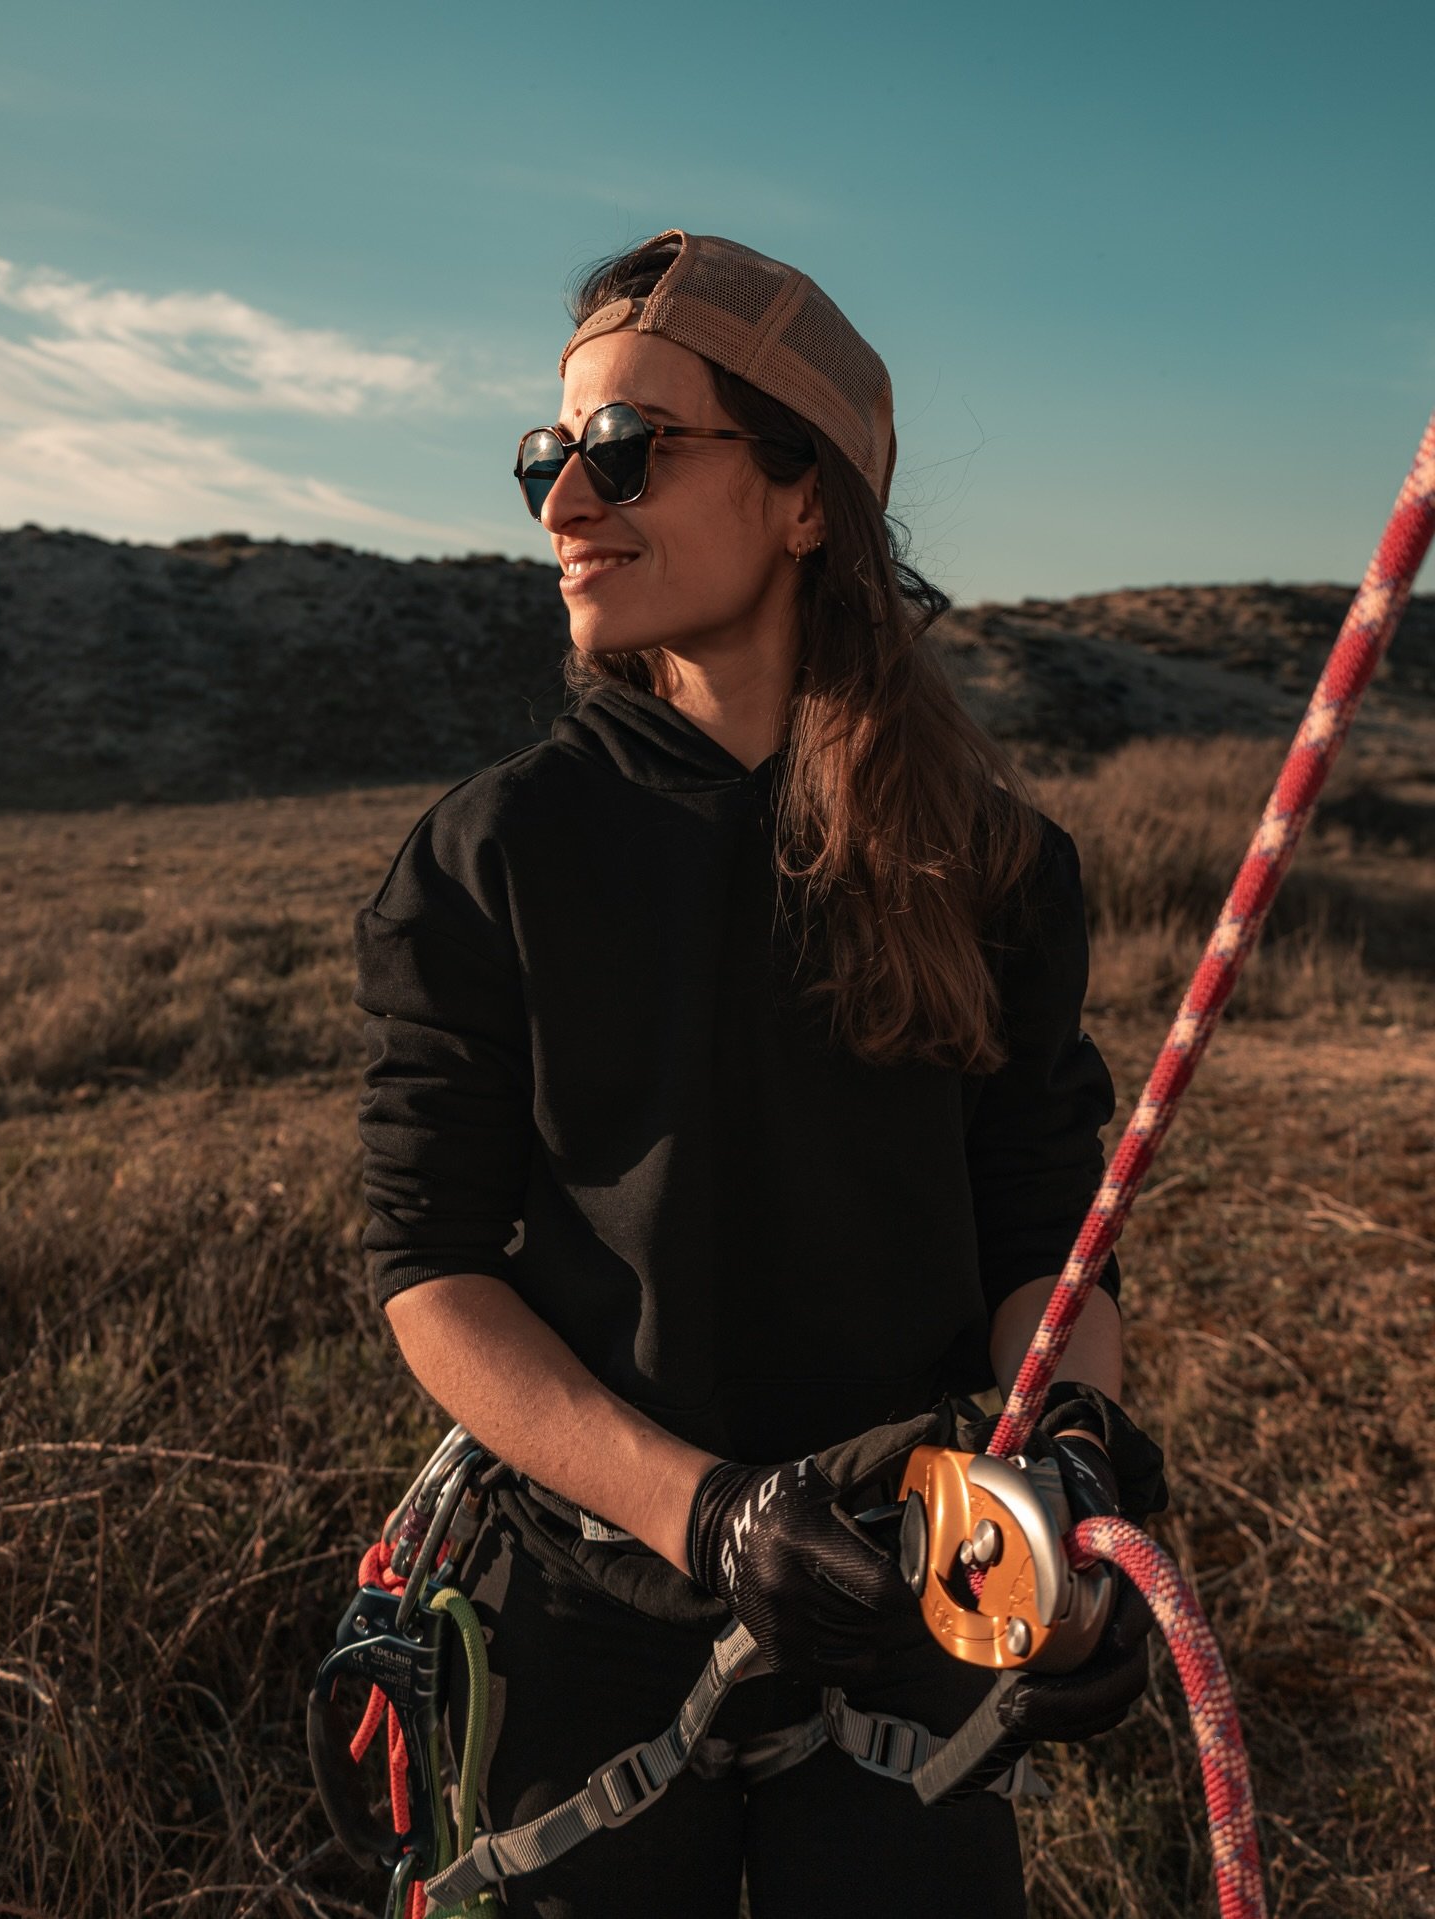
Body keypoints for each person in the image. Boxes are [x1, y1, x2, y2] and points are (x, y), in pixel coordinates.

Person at [354, 230, 1165, 1919]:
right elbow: (426, 1269)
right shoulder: (492, 855)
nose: (568, 503)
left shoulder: (999, 868)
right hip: (580, 1625)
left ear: (806, 499)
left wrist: (1072, 1477)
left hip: (918, 1606)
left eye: (629, 447)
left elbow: (1049, 1247)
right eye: (549, 458)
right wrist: (706, 1514)